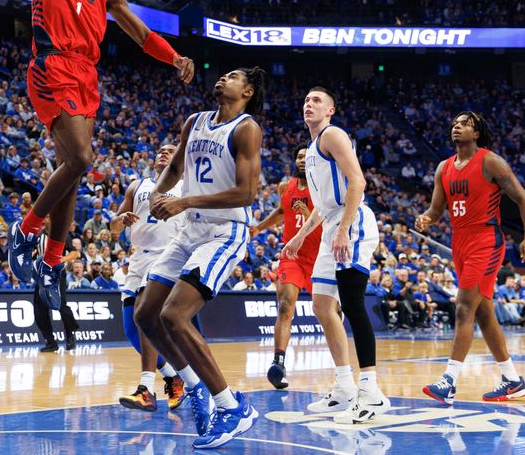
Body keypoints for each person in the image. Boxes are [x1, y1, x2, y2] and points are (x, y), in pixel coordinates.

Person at [0, 0, 195, 311]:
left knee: (74, 170)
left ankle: (53, 261)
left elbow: (141, 35)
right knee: (82, 158)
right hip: (52, 65)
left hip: (86, 75)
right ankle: (24, 233)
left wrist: (174, 57)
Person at [135, 67, 265, 448]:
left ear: (248, 91)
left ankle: (232, 406)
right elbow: (176, 167)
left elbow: (246, 193)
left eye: (234, 76)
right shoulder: (195, 121)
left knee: (174, 315)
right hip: (191, 228)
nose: (223, 78)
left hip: (225, 231)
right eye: (224, 74)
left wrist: (184, 200)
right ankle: (196, 388)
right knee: (146, 313)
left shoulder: (246, 128)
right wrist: (155, 199)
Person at [283, 87, 390, 423]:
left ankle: (371, 391)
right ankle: (345, 387)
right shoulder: (313, 149)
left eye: (316, 101)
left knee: (353, 302)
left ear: (331, 110)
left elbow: (358, 182)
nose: (308, 105)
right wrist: (299, 237)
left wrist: (344, 229)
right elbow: (319, 207)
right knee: (321, 304)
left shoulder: (333, 135)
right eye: (305, 101)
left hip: (352, 221)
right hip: (332, 224)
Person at [417, 111, 525, 405]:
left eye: (465, 123)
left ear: (477, 132)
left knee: (463, 307)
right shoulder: (443, 168)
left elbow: (523, 200)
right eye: (454, 123)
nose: (457, 126)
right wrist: (426, 219)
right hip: (459, 242)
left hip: (486, 240)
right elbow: (436, 209)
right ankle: (512, 380)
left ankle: (449, 381)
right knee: (483, 313)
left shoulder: (490, 161)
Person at [110, 144, 186, 412]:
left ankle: (146, 389)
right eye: (161, 150)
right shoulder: (137, 186)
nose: (164, 153)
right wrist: (122, 219)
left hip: (167, 256)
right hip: (138, 258)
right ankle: (175, 377)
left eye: (171, 150)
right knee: (131, 330)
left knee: (145, 315)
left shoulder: (186, 188)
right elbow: (113, 226)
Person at [250, 143, 322, 390]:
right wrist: (259, 228)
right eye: (299, 156)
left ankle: (342, 370)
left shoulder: (322, 186)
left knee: (327, 312)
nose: (302, 159)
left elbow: (330, 216)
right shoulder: (285, 187)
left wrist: (310, 210)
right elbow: (281, 212)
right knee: (285, 305)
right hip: (292, 256)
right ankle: (278, 363)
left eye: (306, 156)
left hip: (320, 257)